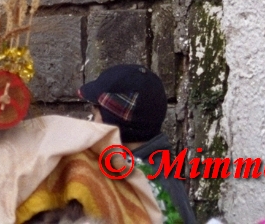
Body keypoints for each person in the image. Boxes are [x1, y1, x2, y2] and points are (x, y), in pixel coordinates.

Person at [78, 64, 198, 224]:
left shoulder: (141, 186)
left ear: (112, 123)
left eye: (95, 114)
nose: (92, 122)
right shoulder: (157, 169)